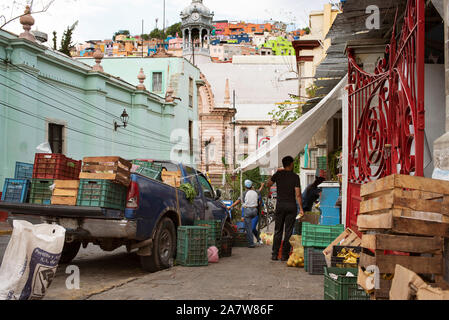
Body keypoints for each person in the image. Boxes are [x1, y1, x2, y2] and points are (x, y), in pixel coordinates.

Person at [263, 156, 304, 261]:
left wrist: (275, 173)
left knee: (278, 230)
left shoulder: (278, 174)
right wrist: (301, 208)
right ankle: (285, 255)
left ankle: (274, 254)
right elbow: (298, 194)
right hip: (291, 206)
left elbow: (268, 184)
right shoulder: (295, 177)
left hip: (280, 206)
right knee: (288, 231)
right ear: (290, 164)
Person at [228, 180, 264, 248]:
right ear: (251, 185)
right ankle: (257, 239)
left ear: (245, 186)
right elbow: (259, 190)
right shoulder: (256, 192)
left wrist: (230, 206)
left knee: (248, 228)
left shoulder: (244, 193)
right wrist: (262, 185)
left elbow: (238, 201)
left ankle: (251, 243)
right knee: (252, 227)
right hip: (255, 211)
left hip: (248, 210)